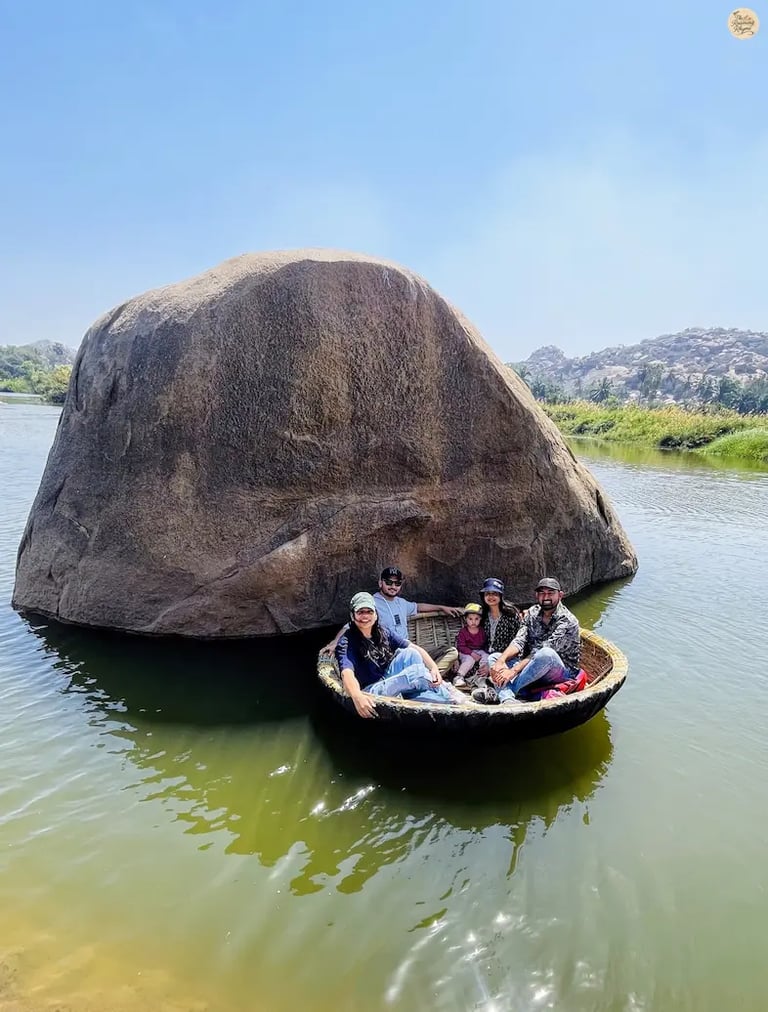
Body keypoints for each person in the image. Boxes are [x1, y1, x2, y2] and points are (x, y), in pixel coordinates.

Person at [335, 592, 462, 718]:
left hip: (388, 677)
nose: (365, 616)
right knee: (417, 672)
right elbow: (347, 673)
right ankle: (447, 696)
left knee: (411, 653)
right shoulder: (347, 641)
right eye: (360, 612)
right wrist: (357, 696)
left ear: (375, 614)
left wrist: (434, 669)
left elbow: (414, 647)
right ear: (352, 615)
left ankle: (425, 696)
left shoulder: (382, 631)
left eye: (369, 612)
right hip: (371, 690)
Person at [323, 566, 463, 675]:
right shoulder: (371, 603)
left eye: (397, 583)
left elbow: (418, 607)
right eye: (389, 582)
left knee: (451, 652)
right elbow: (350, 625)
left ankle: (426, 678)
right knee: (410, 656)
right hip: (389, 655)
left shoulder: (401, 603)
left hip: (409, 649)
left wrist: (442, 607)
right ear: (380, 583)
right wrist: (335, 642)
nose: (393, 586)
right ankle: (420, 678)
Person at [472, 577, 581, 705]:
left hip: (559, 671)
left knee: (546, 653)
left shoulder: (568, 621)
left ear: (560, 595)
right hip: (531, 666)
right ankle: (508, 699)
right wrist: (501, 661)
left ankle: (505, 693)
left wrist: (512, 672)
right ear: (536, 595)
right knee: (494, 658)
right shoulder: (532, 612)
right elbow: (519, 640)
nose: (546, 597)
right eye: (542, 593)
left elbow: (540, 651)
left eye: (550, 593)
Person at [454, 603, 490, 688]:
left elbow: (484, 644)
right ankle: (459, 676)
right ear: (465, 619)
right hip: (466, 652)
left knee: (486, 656)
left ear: (480, 619)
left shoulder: (482, 631)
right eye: (470, 619)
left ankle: (481, 676)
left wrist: (483, 653)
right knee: (470, 660)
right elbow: (461, 646)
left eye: (476, 619)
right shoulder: (463, 632)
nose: (473, 622)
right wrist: (472, 654)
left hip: (478, 650)